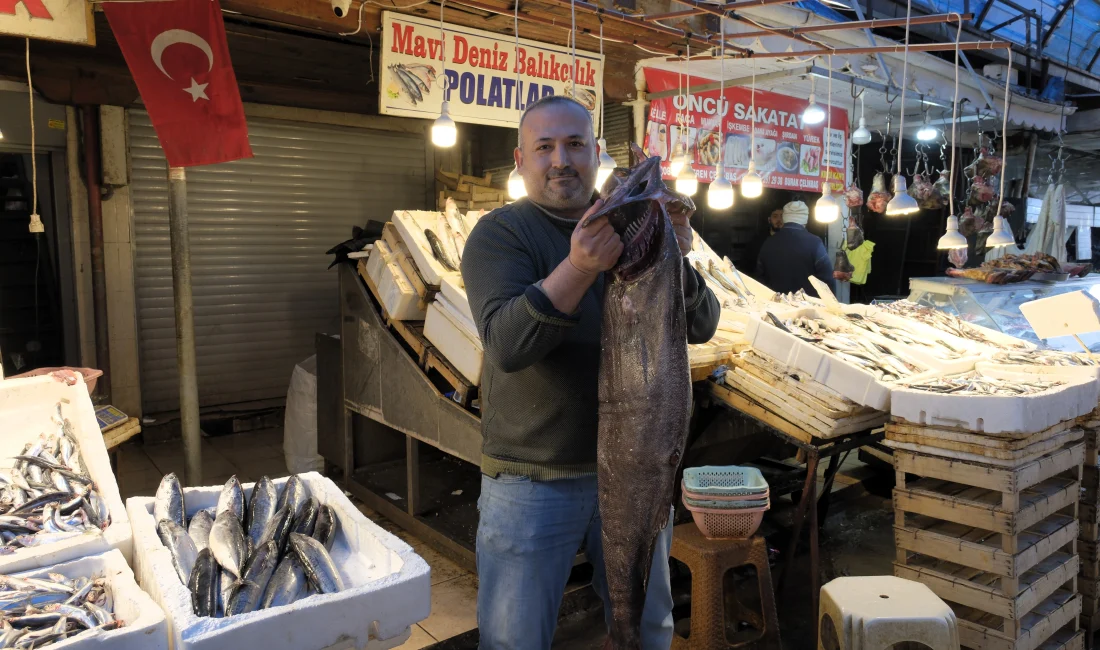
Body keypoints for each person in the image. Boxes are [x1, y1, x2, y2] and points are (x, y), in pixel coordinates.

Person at [460, 95, 721, 649]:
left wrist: (676, 255)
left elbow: (702, 325)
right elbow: (507, 345)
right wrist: (580, 267)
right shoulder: (500, 234)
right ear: (520, 159)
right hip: (532, 479)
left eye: (575, 144)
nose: (561, 159)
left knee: (647, 627)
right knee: (514, 640)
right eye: (545, 147)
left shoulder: (629, 221)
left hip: (639, 472)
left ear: (595, 153)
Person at [755, 200, 837, 297]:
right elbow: (827, 281)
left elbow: (759, 278)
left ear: (785, 219)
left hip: (777, 306)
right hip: (808, 307)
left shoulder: (768, 243)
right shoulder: (815, 243)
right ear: (805, 220)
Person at [743, 209, 784, 280]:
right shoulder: (758, 240)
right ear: (769, 220)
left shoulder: (788, 241)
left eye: (782, 217)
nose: (779, 220)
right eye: (775, 216)